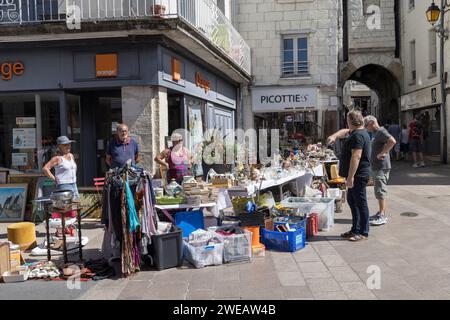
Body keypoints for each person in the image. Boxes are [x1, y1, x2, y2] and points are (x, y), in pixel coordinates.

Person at [327, 110, 371, 242]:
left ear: (350, 121)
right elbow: (344, 131)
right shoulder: (358, 132)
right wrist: (334, 136)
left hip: (358, 175)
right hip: (355, 175)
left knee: (361, 203)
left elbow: (356, 156)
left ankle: (363, 232)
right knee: (353, 202)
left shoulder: (358, 136)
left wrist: (351, 177)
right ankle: (355, 229)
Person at [364, 116, 397, 226]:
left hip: (381, 167)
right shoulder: (376, 133)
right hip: (377, 166)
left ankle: (382, 215)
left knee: (380, 191)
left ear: (372, 123)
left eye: (366, 125)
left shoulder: (381, 131)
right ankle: (380, 212)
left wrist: (383, 153)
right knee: (378, 190)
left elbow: (392, 141)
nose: (365, 128)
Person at [42, 136, 79, 201]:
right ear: (59, 146)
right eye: (65, 145)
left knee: (75, 206)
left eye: (69, 144)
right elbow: (45, 169)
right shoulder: (57, 158)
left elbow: (72, 169)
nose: (68, 146)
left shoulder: (71, 155)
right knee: (66, 208)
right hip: (64, 185)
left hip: (74, 184)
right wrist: (54, 179)